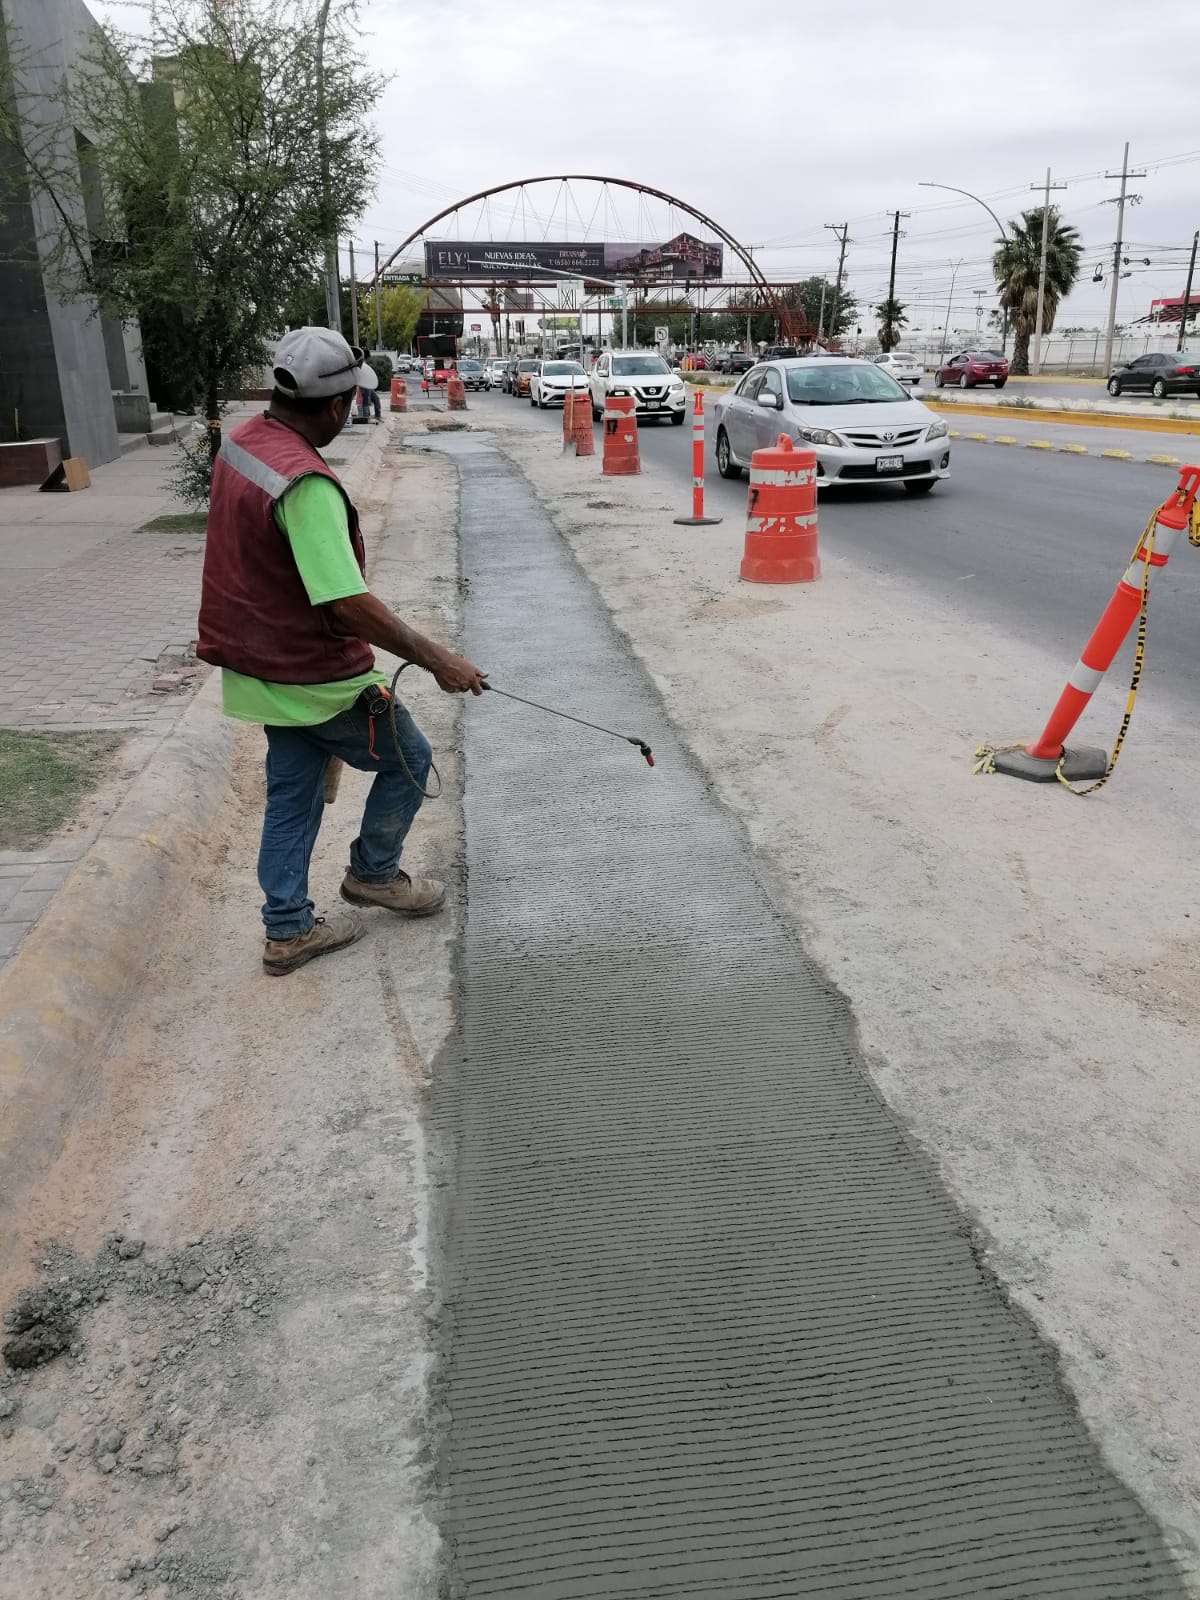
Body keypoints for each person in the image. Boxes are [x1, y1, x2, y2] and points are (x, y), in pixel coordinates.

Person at [197, 326, 485, 976]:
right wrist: (438, 658)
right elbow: (344, 603)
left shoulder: (242, 443)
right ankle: (373, 875)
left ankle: (287, 929)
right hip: (310, 672)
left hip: (262, 665)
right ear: (335, 406)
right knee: (409, 759)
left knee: (292, 793)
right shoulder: (307, 486)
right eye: (351, 402)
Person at [358, 348, 382, 423]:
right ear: (367, 356)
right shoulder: (362, 364)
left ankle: (377, 416)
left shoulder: (364, 363)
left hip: (368, 385)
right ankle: (366, 418)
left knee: (376, 399)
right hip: (364, 386)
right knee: (366, 402)